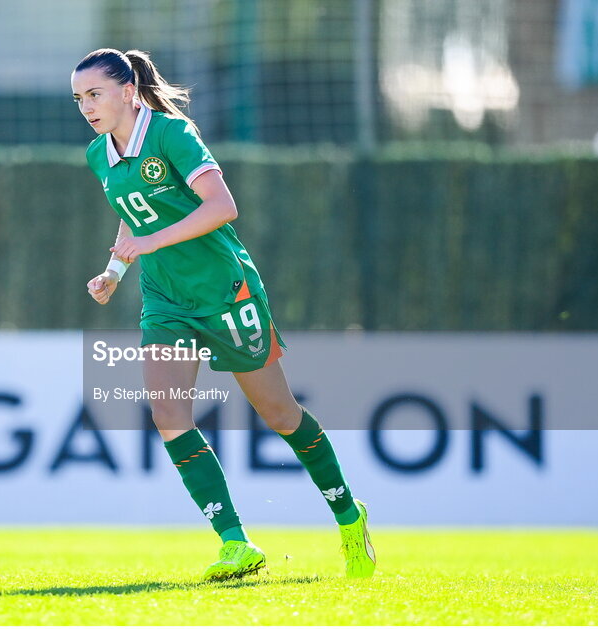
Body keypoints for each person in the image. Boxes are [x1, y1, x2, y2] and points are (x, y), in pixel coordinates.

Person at [73, 48, 376, 581]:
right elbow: (130, 222)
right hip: (165, 299)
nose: (87, 107)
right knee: (168, 417)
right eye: (79, 98)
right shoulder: (100, 155)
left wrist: (150, 242)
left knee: (280, 415)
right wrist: (115, 273)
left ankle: (349, 517)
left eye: (94, 94)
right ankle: (235, 543)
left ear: (126, 91)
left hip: (224, 291)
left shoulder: (171, 134)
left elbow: (222, 207)